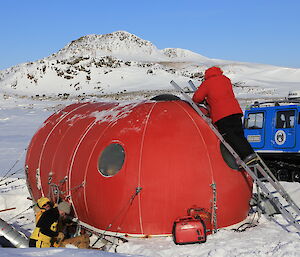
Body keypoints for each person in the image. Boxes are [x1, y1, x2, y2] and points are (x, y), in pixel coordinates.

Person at [192, 66, 258, 166]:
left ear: (207, 75)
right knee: (239, 134)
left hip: (222, 115)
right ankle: (250, 154)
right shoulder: (226, 79)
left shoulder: (207, 83)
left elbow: (196, 98)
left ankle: (243, 157)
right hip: (235, 111)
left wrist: (206, 100)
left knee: (229, 136)